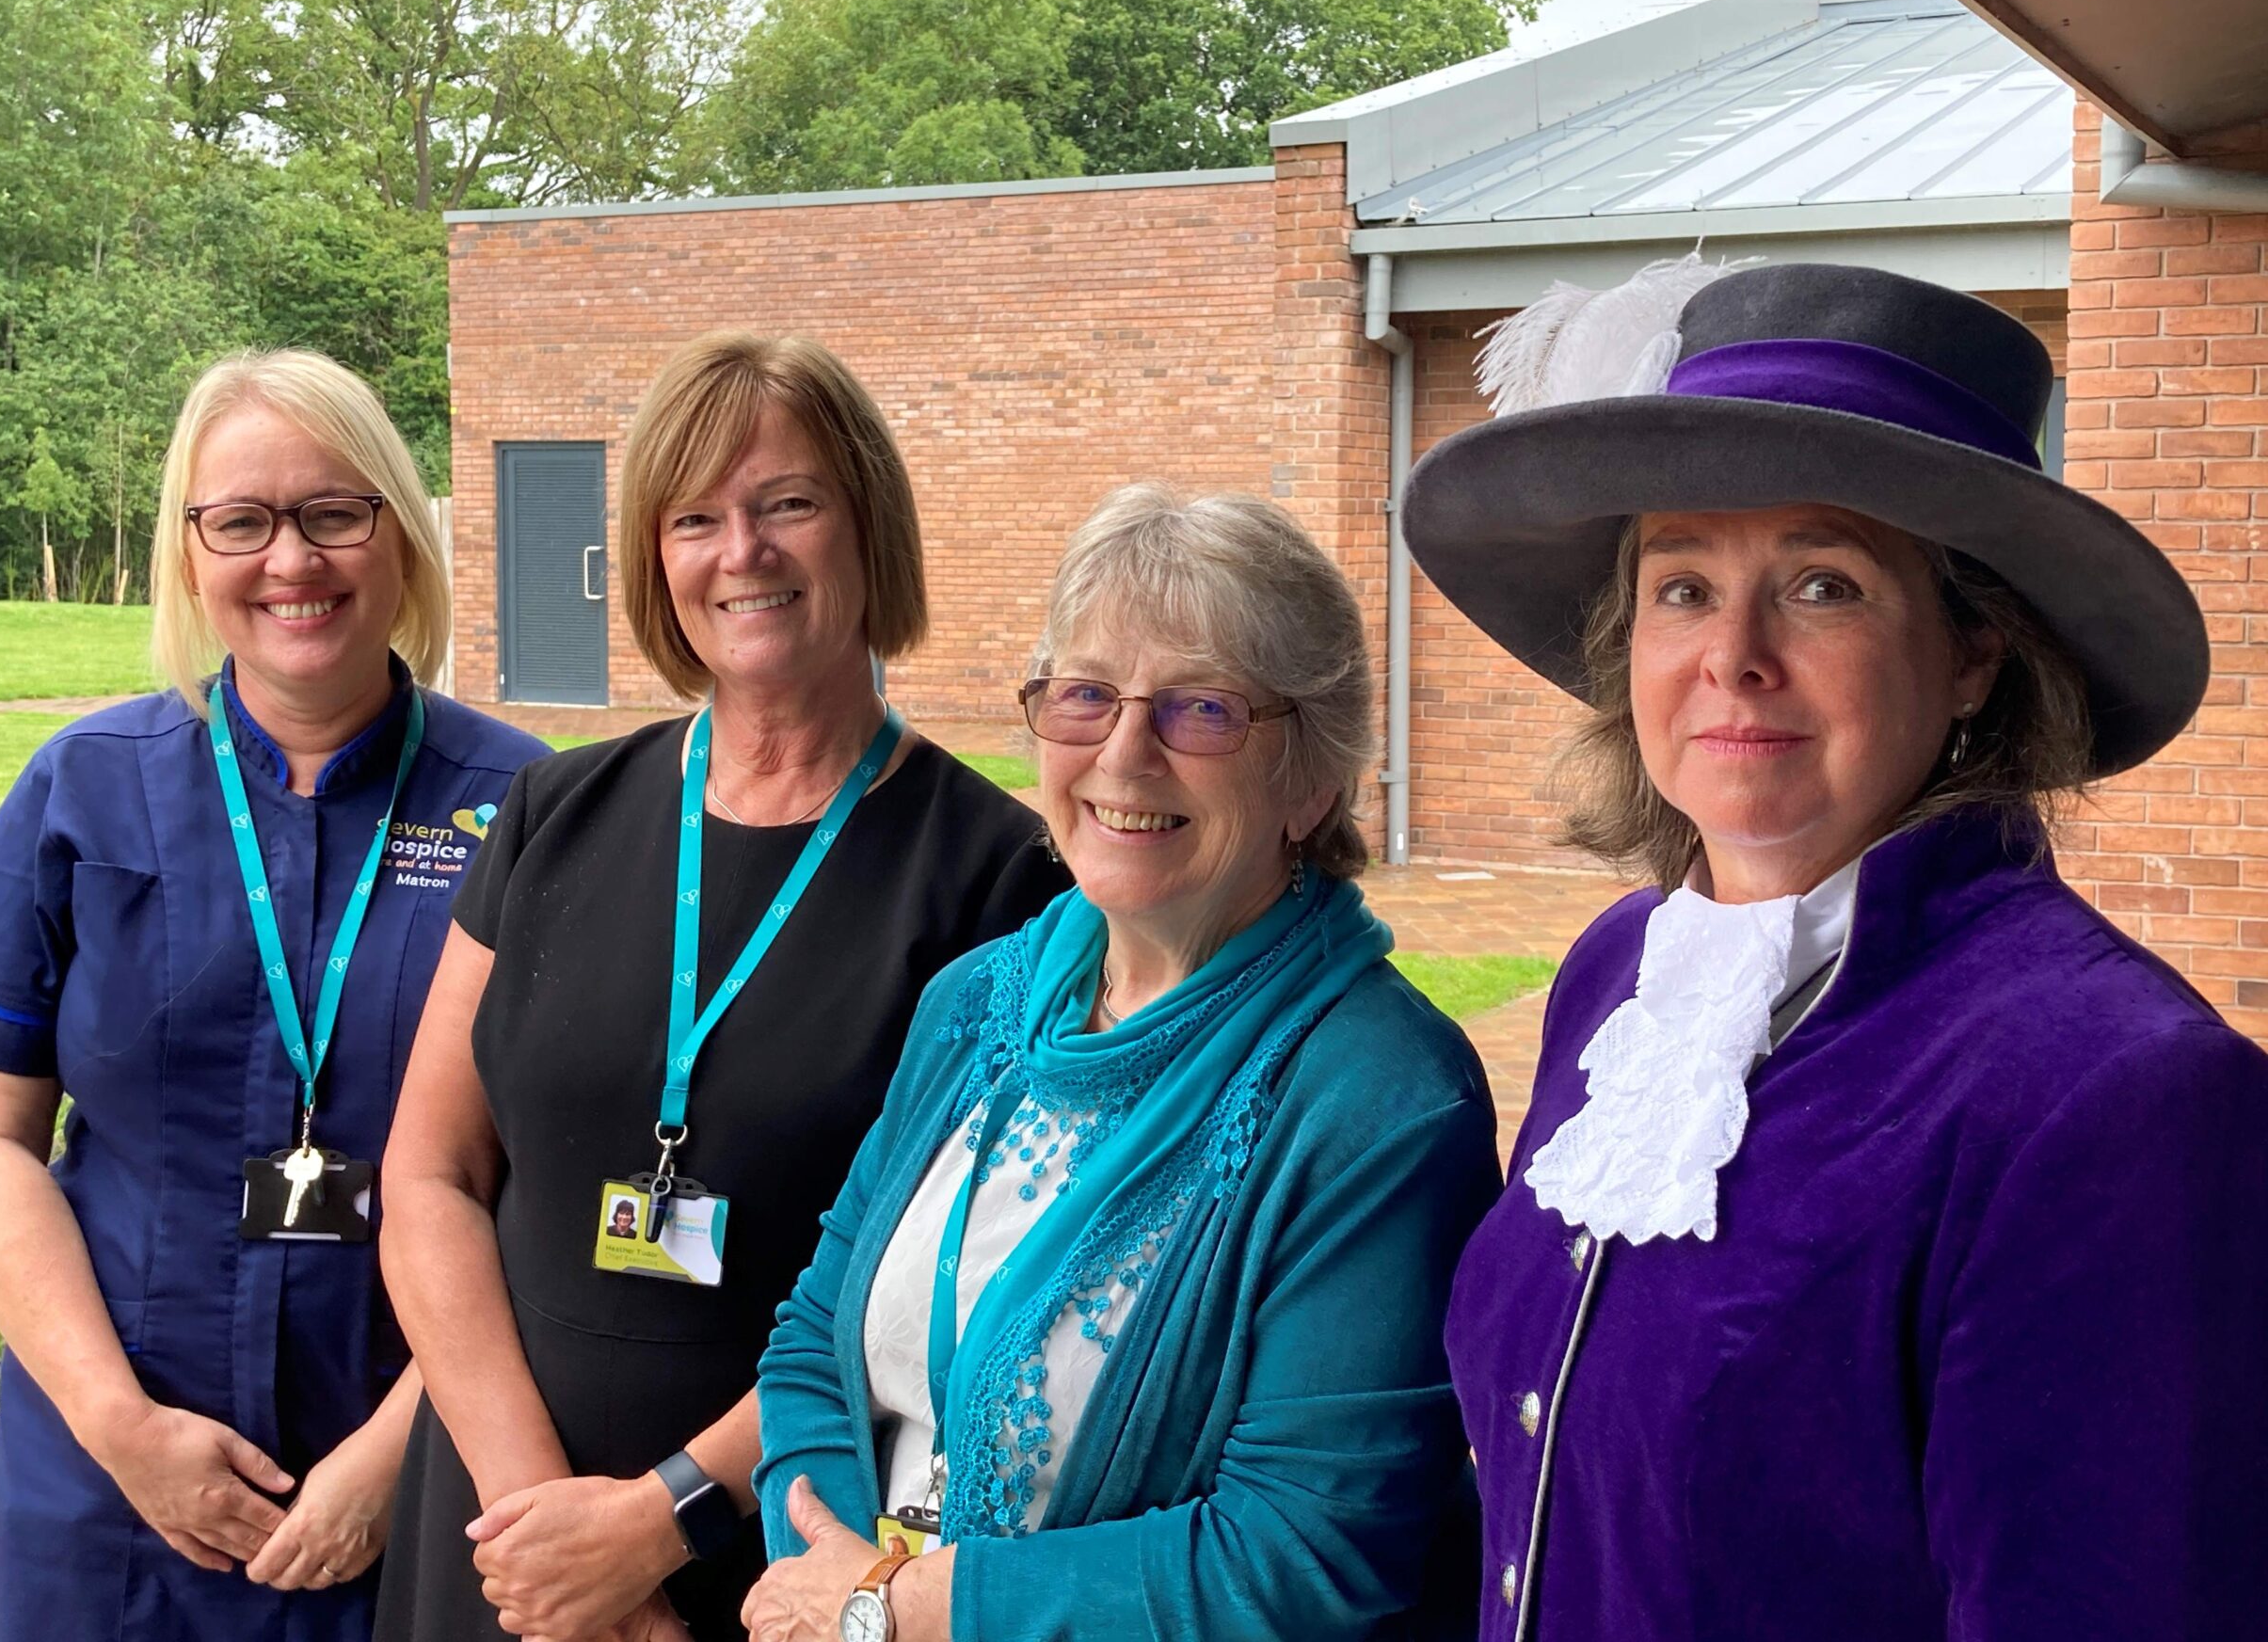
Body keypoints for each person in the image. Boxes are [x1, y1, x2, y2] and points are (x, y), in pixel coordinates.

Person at [1406, 259, 2268, 1639]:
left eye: (1822, 584)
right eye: (1683, 585)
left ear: (1977, 649)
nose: (1733, 656)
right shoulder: (1619, 977)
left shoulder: (2116, 1094)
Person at [374, 333, 1070, 1642]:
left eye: (787, 504)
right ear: (654, 561)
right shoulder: (552, 814)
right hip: (496, 1535)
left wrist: (651, 1528)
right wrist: (543, 1525)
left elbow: (956, 1289)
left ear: (869, 526)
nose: (740, 552)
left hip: (774, 1553)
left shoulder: (1003, 881)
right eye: (694, 518)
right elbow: (428, 1174)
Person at [743, 485, 1502, 1642]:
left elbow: (1305, 1551)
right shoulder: (975, 1002)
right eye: (1086, 696)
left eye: (1202, 709)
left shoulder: (1380, 1098)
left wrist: (896, 1610)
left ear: (1312, 777)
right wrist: (834, 1576)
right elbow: (812, 1340)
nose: (1124, 755)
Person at [0, 350, 547, 1639]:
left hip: (415, 1482)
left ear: (401, 535)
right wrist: (117, 1425)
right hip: (110, 1492)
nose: (292, 562)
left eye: (333, 513)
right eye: (242, 521)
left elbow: (550, 1182)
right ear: (190, 553)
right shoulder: (81, 792)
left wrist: (400, 1450)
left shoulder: (526, 812)